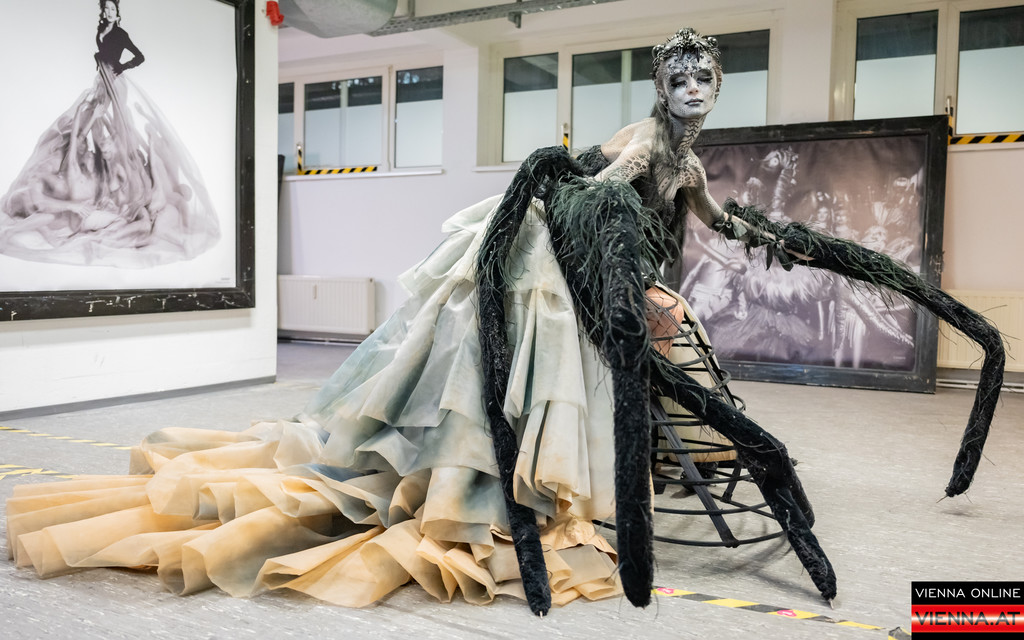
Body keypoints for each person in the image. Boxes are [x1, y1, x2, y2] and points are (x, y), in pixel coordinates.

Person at [5, 28, 1001, 617]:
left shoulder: (688, 164)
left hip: (623, 280)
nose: (693, 92)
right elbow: (579, 191)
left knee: (674, 366)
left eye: (706, 80)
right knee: (648, 376)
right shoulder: (635, 147)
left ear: (717, 88)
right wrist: (624, 276)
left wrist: (822, 258)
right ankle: (544, 521)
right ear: (662, 86)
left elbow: (728, 225)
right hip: (561, 275)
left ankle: (657, 467)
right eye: (680, 79)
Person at [0, 0, 219, 268]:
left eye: (112, 9)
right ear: (103, 11)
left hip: (114, 82)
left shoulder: (120, 33)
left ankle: (120, 169)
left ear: (118, 12)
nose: (108, 12)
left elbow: (139, 57)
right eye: (105, 9)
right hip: (101, 80)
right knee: (95, 117)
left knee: (115, 123)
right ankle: (101, 166)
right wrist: (101, 72)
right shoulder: (102, 29)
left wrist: (119, 69)